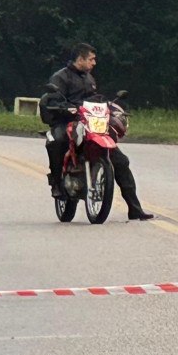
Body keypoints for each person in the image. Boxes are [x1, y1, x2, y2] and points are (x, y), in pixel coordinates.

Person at [39, 43, 151, 221]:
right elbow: (52, 100)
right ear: (80, 59)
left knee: (121, 161)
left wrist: (111, 107)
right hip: (67, 121)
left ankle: (134, 208)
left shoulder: (89, 78)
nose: (94, 63)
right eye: (91, 59)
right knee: (57, 140)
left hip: (90, 123)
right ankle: (57, 184)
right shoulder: (60, 77)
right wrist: (64, 108)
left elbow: (94, 100)